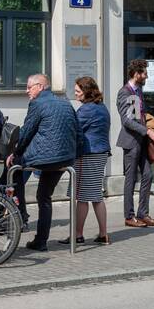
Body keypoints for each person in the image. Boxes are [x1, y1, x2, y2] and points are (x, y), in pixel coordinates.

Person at [7, 73, 78, 251]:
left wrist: (15, 153)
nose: (27, 91)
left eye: (29, 87)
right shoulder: (66, 103)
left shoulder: (37, 104)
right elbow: (78, 131)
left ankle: (20, 217)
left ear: (40, 86)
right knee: (44, 196)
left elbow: (26, 133)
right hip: (65, 159)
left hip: (44, 158)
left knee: (13, 171)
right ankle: (40, 240)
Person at [116, 59, 154, 228]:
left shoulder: (138, 91)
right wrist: (148, 131)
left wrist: (149, 126)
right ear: (136, 74)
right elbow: (128, 121)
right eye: (144, 72)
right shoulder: (126, 92)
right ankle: (129, 217)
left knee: (148, 175)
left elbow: (138, 115)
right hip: (131, 141)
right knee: (131, 178)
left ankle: (143, 213)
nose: (146, 75)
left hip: (142, 140)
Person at [67, 76, 111, 245]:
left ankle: (77, 235)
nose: (76, 94)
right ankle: (103, 234)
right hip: (100, 154)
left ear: (87, 91)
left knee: (82, 196)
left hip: (88, 155)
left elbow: (74, 129)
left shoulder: (86, 110)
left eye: (78, 91)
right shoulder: (101, 107)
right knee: (96, 196)